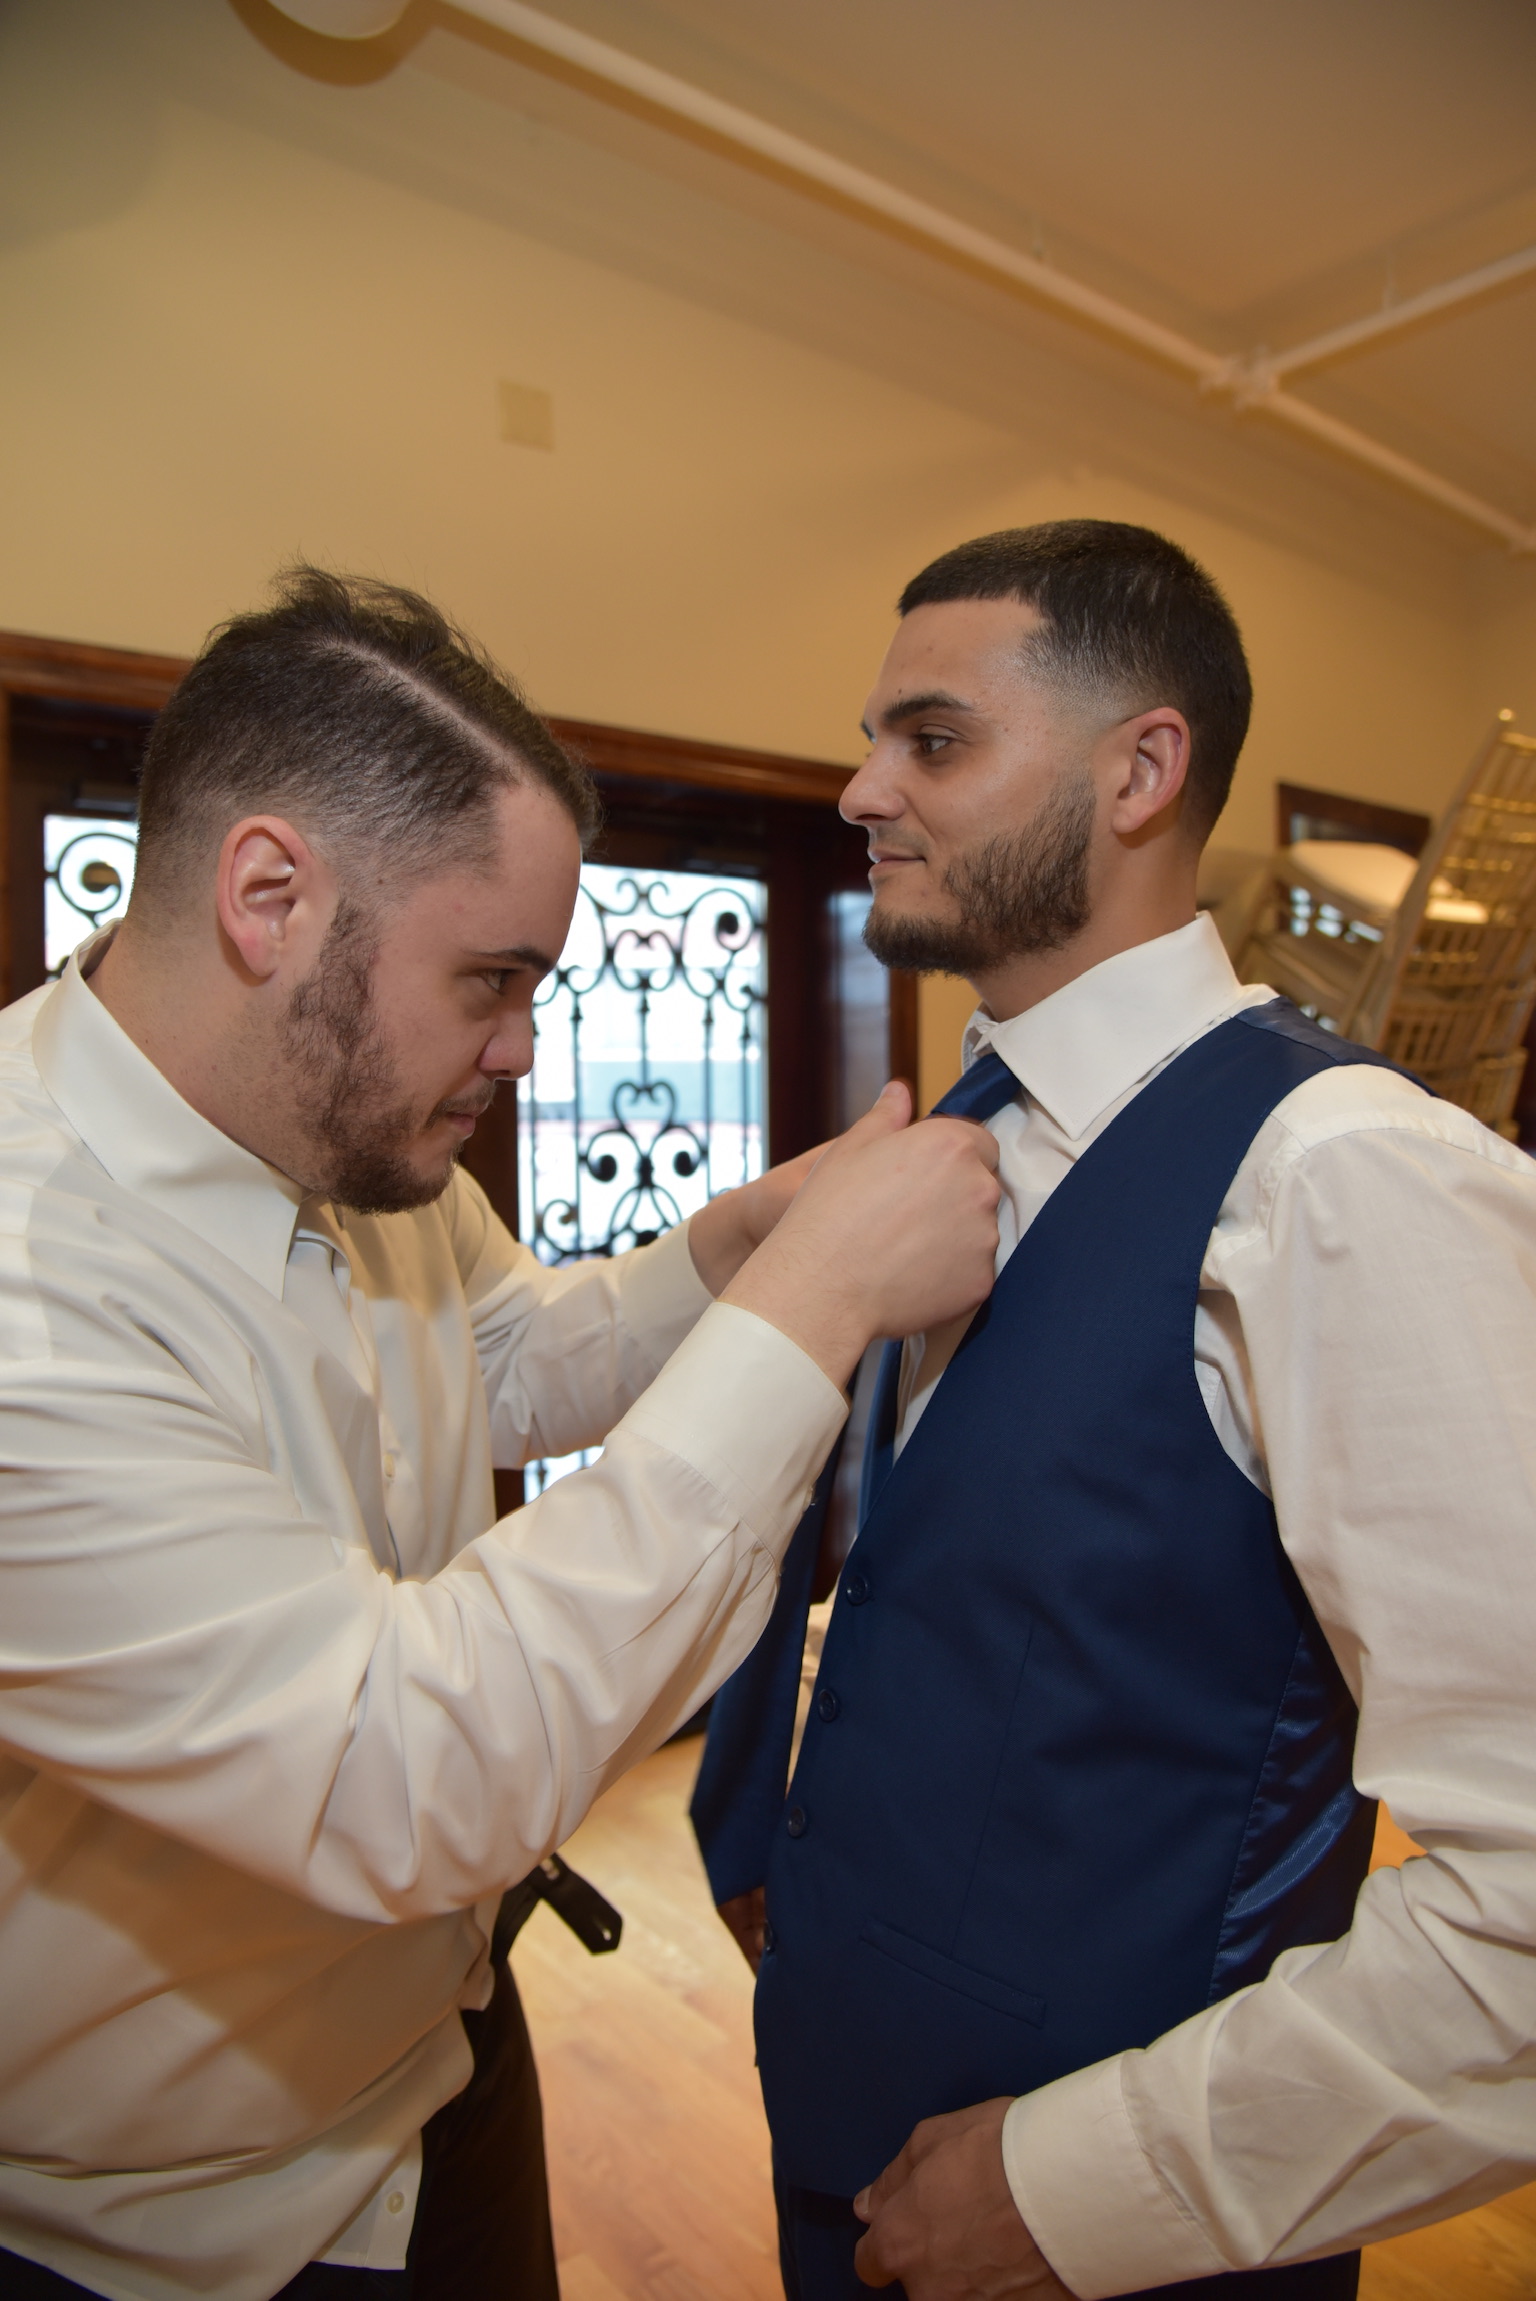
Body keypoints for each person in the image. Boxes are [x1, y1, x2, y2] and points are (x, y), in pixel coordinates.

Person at [0, 569, 1003, 2301]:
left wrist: (738, 1248)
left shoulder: (335, 1123)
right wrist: (815, 1305)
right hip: (172, 2227)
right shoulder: (28, 1293)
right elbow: (404, 1763)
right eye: (489, 978)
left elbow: (506, 1354)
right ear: (268, 896)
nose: (524, 1050)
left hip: (448, 2063)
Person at [692, 520, 1536, 2300]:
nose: (860, 789)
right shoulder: (951, 1133)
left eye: (931, 740)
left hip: (1108, 2226)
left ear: (1142, 771)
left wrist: (1084, 2185)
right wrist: (775, 1826)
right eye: (874, 739)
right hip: (843, 2114)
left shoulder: (1344, 1177)